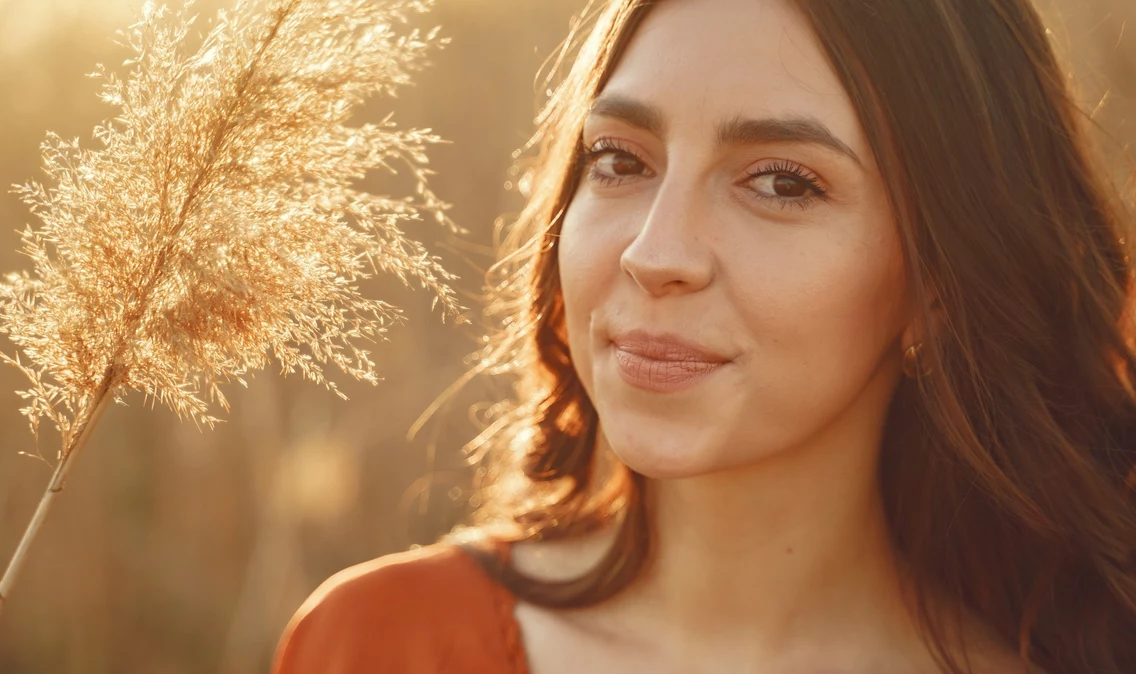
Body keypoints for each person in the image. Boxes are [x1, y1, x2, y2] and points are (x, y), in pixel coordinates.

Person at [271, 0, 1136, 671]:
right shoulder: (381, 644)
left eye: (783, 182)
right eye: (619, 160)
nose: (656, 253)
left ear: (941, 281)